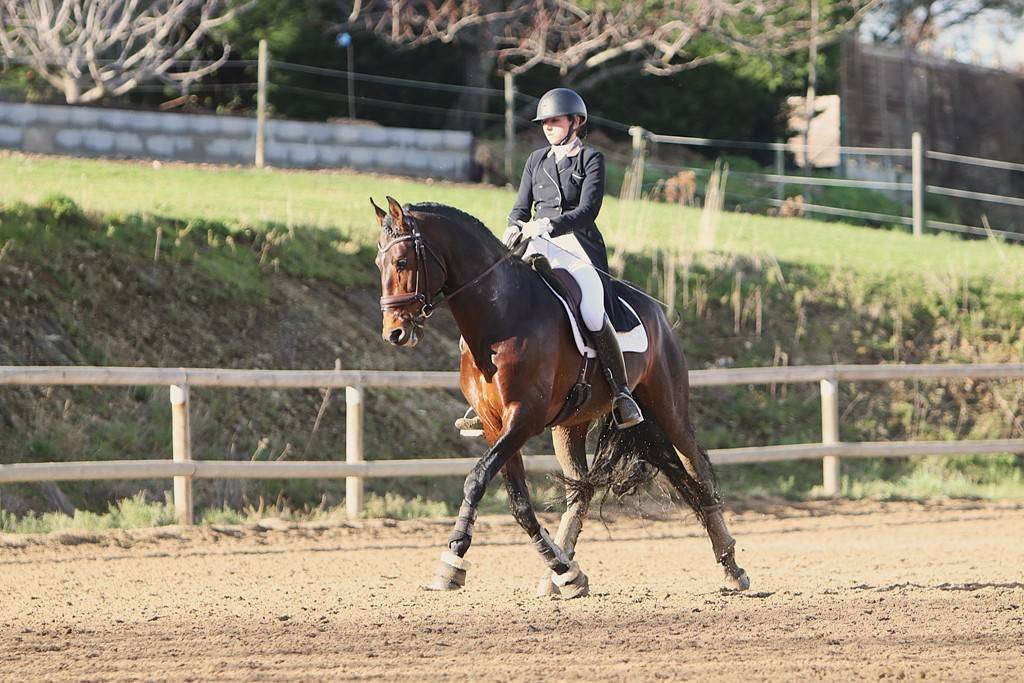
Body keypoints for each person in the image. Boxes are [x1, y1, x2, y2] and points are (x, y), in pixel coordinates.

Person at [457, 88, 643, 432]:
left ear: (576, 122)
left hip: (575, 244)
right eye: (545, 122)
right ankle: (482, 398)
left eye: (555, 121)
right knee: (493, 295)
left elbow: (588, 210)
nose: (548, 127)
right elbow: (520, 206)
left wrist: (550, 224)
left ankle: (620, 392)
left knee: (591, 309)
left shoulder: (590, 159)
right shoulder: (536, 160)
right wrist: (514, 226)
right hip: (535, 241)